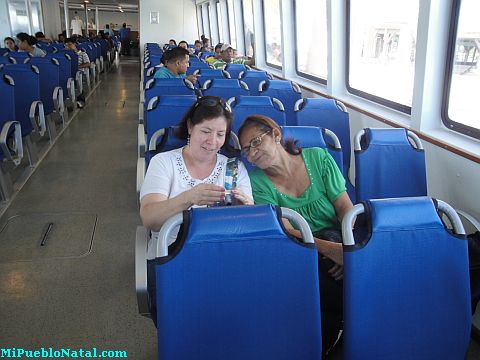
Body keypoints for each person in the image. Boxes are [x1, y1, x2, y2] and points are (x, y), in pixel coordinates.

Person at [237, 115, 354, 357]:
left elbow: (345, 208)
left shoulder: (318, 158)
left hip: (338, 239)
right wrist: (332, 251)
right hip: (299, 250)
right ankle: (345, 336)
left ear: (276, 134)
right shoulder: (257, 183)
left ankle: (329, 341)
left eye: (256, 142)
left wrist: (348, 250)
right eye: (247, 149)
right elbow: (287, 232)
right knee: (325, 274)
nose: (252, 153)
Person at [139, 96, 253, 256]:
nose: (212, 141)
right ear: (190, 126)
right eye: (206, 131)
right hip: (173, 253)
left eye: (220, 134)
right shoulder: (164, 162)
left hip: (224, 251)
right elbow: (150, 219)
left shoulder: (233, 169)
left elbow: (248, 228)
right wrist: (189, 198)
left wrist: (246, 210)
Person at [65, 37, 90, 108]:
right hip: (67, 73)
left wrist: (77, 67)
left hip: (78, 73)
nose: (68, 47)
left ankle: (81, 100)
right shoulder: (64, 55)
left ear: (74, 44)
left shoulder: (81, 53)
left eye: (70, 45)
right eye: (66, 45)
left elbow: (88, 63)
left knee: (78, 79)